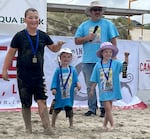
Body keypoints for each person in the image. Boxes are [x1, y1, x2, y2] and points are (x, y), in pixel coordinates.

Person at [2, 8, 65, 135]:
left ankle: (47, 128)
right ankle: (28, 129)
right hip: (23, 76)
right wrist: (5, 69)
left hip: (38, 75)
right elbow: (10, 53)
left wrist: (58, 46)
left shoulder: (43, 36)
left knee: (42, 100)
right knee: (26, 103)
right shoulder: (19, 36)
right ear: (25, 19)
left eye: (36, 17)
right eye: (30, 17)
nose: (34, 20)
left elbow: (53, 48)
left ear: (39, 20)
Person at [74, 0, 119, 117]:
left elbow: (113, 40)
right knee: (90, 86)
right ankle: (92, 108)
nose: (97, 12)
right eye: (95, 10)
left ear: (102, 11)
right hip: (88, 60)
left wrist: (114, 56)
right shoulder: (84, 25)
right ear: (90, 12)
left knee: (105, 85)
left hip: (105, 60)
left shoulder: (109, 24)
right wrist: (87, 38)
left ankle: (105, 108)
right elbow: (76, 41)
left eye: (99, 10)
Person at [90, 42, 128, 131]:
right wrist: (92, 89)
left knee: (108, 109)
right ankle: (112, 125)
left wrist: (126, 57)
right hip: (103, 90)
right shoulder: (98, 65)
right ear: (102, 53)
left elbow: (124, 67)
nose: (108, 54)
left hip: (113, 89)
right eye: (106, 52)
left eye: (110, 52)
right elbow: (95, 78)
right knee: (107, 108)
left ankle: (104, 125)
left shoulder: (115, 63)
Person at [50, 48, 81, 128]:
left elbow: (75, 79)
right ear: (60, 58)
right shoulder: (58, 70)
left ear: (71, 58)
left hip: (69, 94)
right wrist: (54, 88)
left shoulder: (72, 69)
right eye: (64, 57)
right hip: (59, 94)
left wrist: (78, 84)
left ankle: (71, 124)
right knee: (56, 109)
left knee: (69, 109)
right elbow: (54, 80)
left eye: (68, 57)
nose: (66, 59)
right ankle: (53, 124)